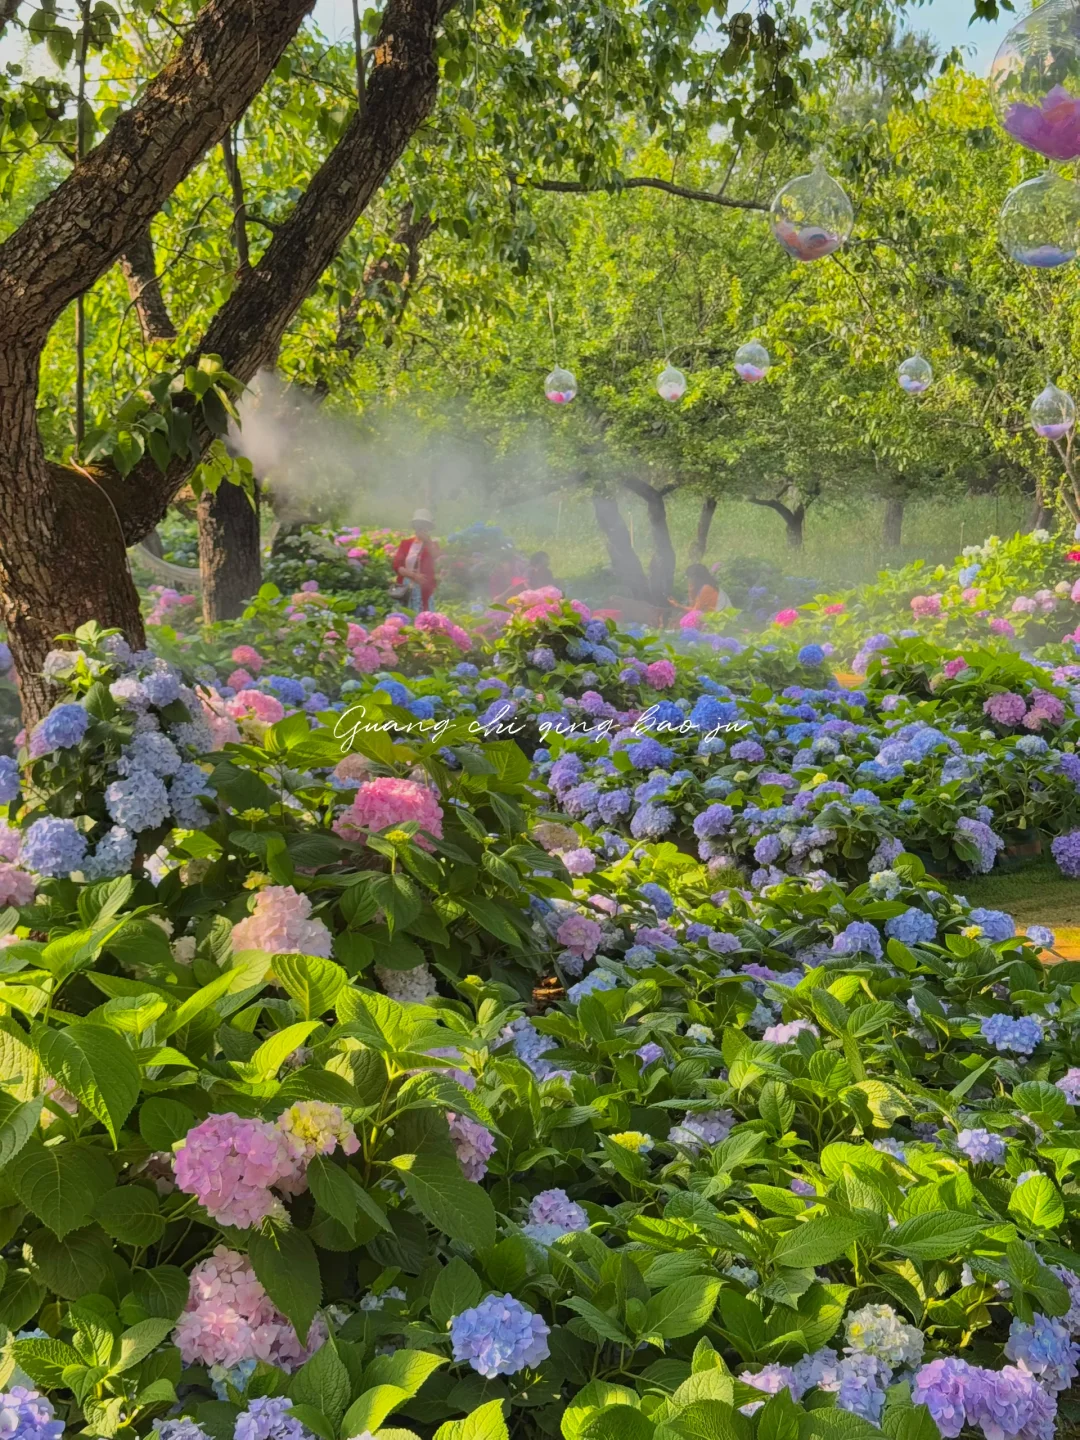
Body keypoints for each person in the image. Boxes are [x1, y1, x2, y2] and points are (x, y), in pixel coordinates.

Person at [392, 510, 439, 611]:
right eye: (418, 524)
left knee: (424, 613)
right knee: (405, 612)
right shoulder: (406, 543)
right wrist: (413, 575)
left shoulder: (432, 544)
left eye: (424, 525)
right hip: (406, 585)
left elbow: (437, 557)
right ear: (414, 526)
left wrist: (427, 541)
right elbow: (396, 565)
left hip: (424, 586)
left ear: (428, 527)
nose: (420, 527)